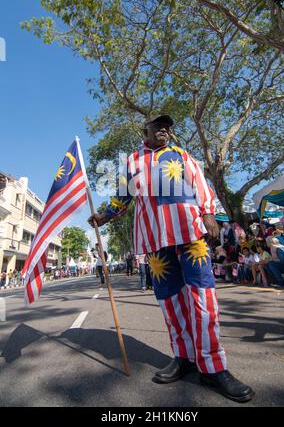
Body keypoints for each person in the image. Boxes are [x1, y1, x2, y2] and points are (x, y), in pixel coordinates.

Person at [88, 113, 254, 403]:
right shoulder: (132, 161)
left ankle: (213, 367)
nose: (165, 129)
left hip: (191, 237)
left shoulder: (181, 155)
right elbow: (122, 197)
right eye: (159, 125)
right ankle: (184, 356)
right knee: (170, 301)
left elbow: (201, 187)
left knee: (203, 298)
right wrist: (104, 216)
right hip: (155, 243)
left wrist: (209, 214)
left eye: (168, 126)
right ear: (146, 130)